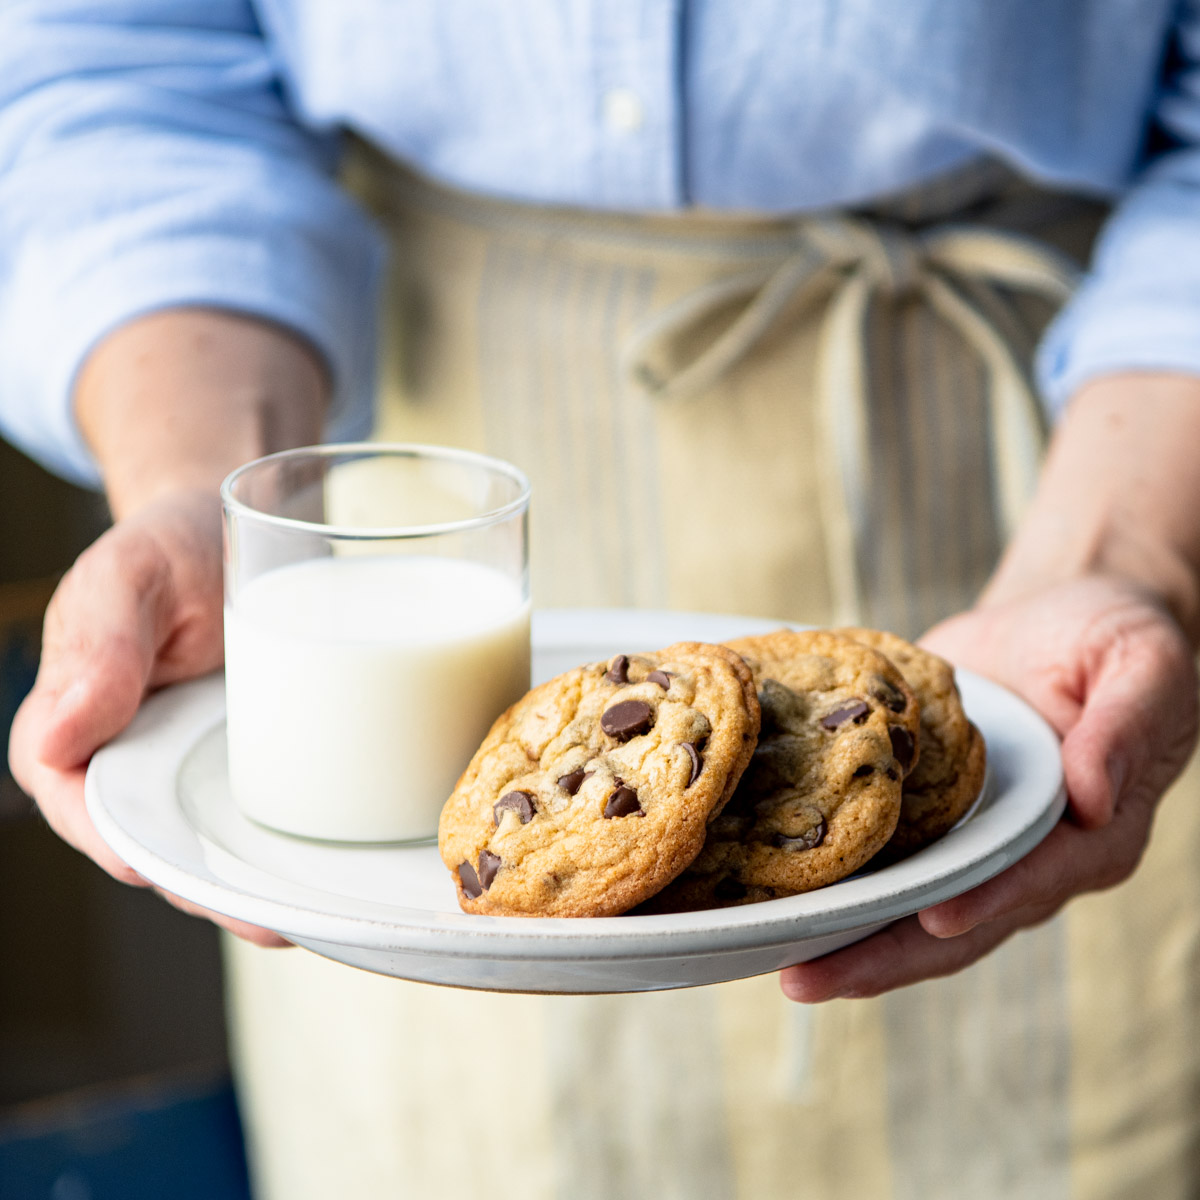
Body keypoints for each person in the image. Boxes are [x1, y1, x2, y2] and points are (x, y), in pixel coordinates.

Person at [4, 3, 1200, 1197]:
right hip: (419, 486)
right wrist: (213, 501)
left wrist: (1125, 549)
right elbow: (119, 62)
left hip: (1075, 465)